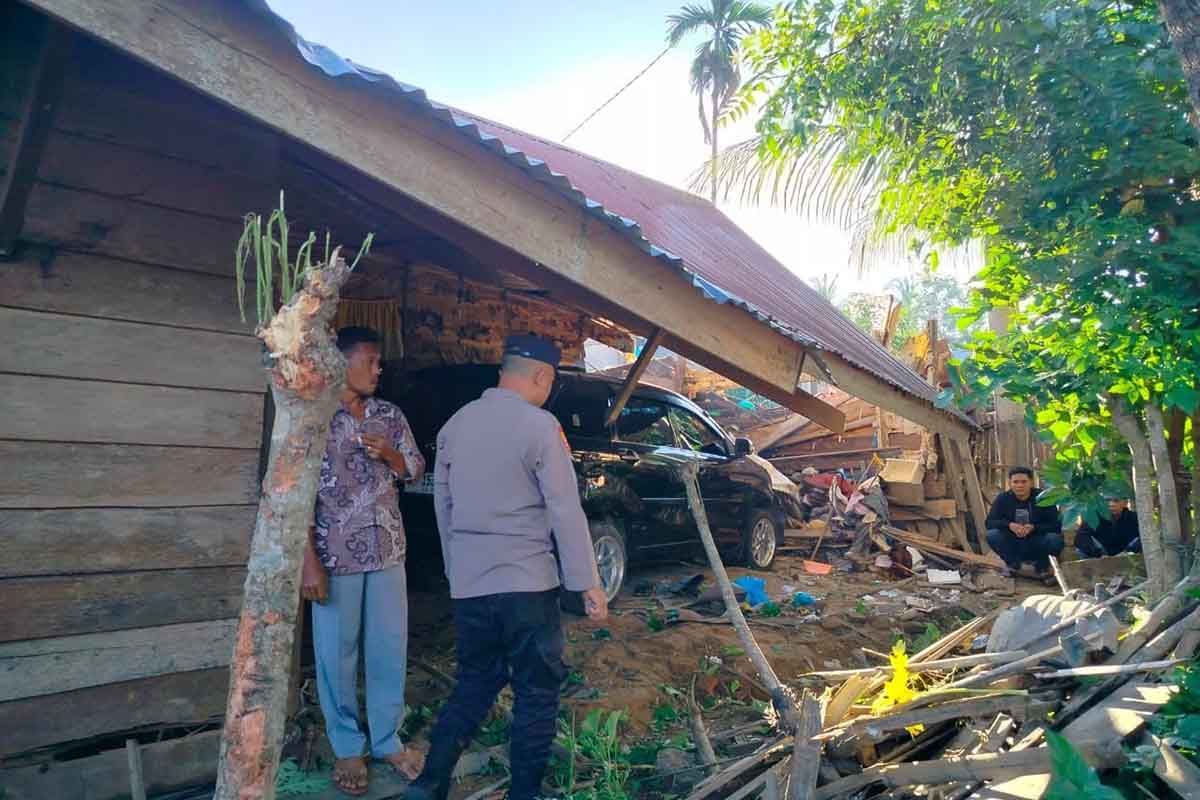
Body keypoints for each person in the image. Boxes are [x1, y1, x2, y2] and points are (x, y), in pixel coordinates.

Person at [408, 334, 609, 800]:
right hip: (527, 586)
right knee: (537, 693)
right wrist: (586, 583)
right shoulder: (540, 427)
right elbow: (565, 509)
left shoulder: (455, 426)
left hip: (471, 585)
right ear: (541, 376)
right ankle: (524, 793)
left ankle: (429, 782)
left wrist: (458, 575)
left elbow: (445, 507)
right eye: (550, 382)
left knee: (475, 682)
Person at [300, 327, 426, 796]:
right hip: (335, 557)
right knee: (336, 653)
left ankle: (388, 739)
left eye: (379, 363)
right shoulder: (313, 418)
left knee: (389, 648)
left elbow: (415, 470)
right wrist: (307, 561)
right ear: (342, 363)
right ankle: (348, 746)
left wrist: (392, 455)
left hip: (389, 550)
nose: (378, 370)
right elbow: (294, 497)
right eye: (371, 361)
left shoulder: (389, 415)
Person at [985, 466, 1064, 578]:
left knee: (1054, 539)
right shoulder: (1003, 499)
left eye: (1023, 482)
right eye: (1015, 482)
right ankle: (1013, 565)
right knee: (992, 535)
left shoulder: (1043, 497)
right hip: (1013, 543)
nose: (1020, 485)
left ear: (1031, 482)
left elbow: (1056, 525)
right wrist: (1009, 525)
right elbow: (990, 522)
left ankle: (1042, 567)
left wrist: (1034, 528)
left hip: (1037, 542)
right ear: (1010, 483)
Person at [1075, 497, 1141, 558]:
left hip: (1128, 555)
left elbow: (1144, 538)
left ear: (1125, 503)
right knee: (1080, 550)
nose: (1111, 504)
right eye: (1107, 500)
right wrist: (1099, 554)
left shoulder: (1134, 517)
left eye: (1116, 501)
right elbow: (1080, 537)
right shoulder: (1095, 517)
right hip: (1101, 555)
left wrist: (1128, 551)